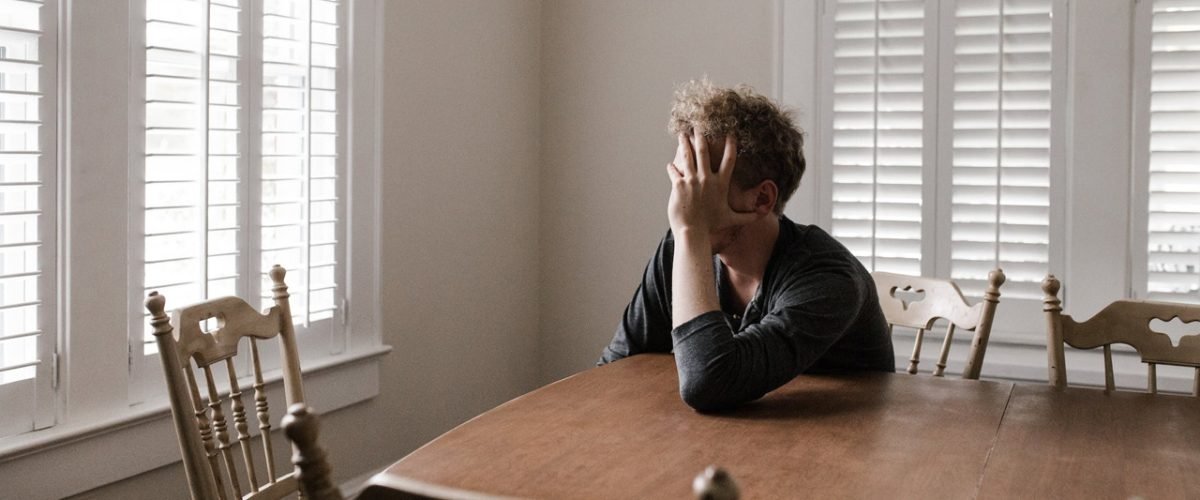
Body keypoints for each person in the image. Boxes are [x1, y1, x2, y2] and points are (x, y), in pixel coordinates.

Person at [598, 79, 894, 411]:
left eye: (700, 183)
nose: (681, 201)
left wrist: (692, 233)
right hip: (727, 441)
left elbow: (708, 383)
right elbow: (615, 369)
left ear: (762, 198)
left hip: (841, 448)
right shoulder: (680, 248)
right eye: (681, 180)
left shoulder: (829, 279)